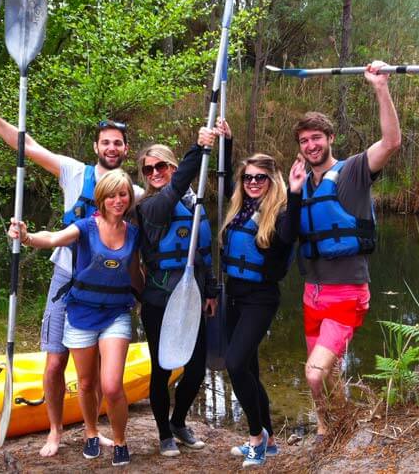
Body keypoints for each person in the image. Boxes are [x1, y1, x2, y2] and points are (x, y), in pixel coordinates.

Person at [0, 90, 143, 457]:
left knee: (94, 374)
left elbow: (169, 198)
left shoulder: (133, 192)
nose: (112, 148)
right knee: (55, 363)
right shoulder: (74, 172)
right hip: (67, 280)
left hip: (109, 294)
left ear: (126, 150)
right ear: (96, 146)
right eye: (106, 142)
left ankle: (95, 432)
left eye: (118, 143)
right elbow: (26, 145)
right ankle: (55, 430)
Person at [295, 61, 401, 441]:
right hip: (313, 293)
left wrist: (380, 88)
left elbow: (391, 142)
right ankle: (335, 428)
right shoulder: (301, 183)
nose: (311, 145)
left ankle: (332, 429)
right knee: (329, 372)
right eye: (305, 141)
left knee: (314, 371)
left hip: (347, 292)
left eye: (316, 138)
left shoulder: (355, 170)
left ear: (330, 138)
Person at [8, 169, 143, 467]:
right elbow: (53, 238)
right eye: (111, 195)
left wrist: (148, 301)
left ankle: (120, 440)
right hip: (80, 313)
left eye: (123, 195)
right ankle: (91, 433)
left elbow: (135, 274)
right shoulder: (85, 227)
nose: (118, 200)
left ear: (129, 198)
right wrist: (27, 237)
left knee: (111, 385)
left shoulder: (133, 233)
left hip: (116, 314)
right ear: (102, 199)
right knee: (84, 383)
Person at [134, 120, 229, 457]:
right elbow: (174, 188)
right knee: (162, 369)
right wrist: (199, 146)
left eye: (162, 165)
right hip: (160, 299)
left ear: (172, 166)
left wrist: (213, 292)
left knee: (196, 367)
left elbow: (204, 254)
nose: (156, 172)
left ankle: (178, 421)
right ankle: (163, 434)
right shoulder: (149, 208)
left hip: (193, 296)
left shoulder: (197, 201)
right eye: (149, 169)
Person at [221, 153, 306, 467]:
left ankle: (256, 438)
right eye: (248, 178)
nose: (253, 182)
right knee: (249, 370)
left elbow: (288, 235)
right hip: (234, 294)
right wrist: (226, 142)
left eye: (260, 177)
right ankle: (268, 438)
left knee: (234, 362)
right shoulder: (239, 208)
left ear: (272, 180)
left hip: (261, 296)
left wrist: (296, 192)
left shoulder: (281, 212)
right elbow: (225, 171)